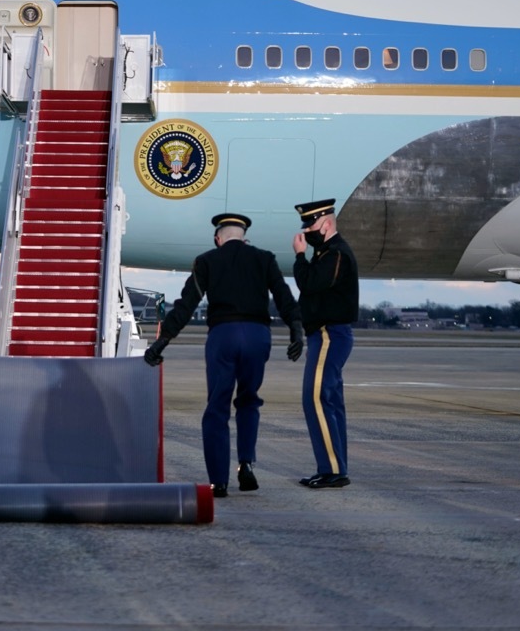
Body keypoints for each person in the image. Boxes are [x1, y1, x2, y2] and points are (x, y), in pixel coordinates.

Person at [144, 213, 304, 498]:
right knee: (248, 401)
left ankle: (219, 481)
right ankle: (245, 463)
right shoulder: (264, 258)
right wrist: (295, 329)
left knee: (217, 407)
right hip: (257, 336)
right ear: (244, 237)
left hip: (224, 335)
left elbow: (186, 304)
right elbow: (283, 295)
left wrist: (162, 341)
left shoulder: (206, 261)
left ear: (218, 239)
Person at [292, 198, 360, 489]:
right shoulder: (325, 253)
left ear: (327, 223)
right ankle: (335, 467)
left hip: (330, 334)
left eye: (311, 224)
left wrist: (299, 257)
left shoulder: (336, 254)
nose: (307, 230)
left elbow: (309, 284)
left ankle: (332, 469)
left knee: (316, 398)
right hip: (325, 334)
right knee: (329, 401)